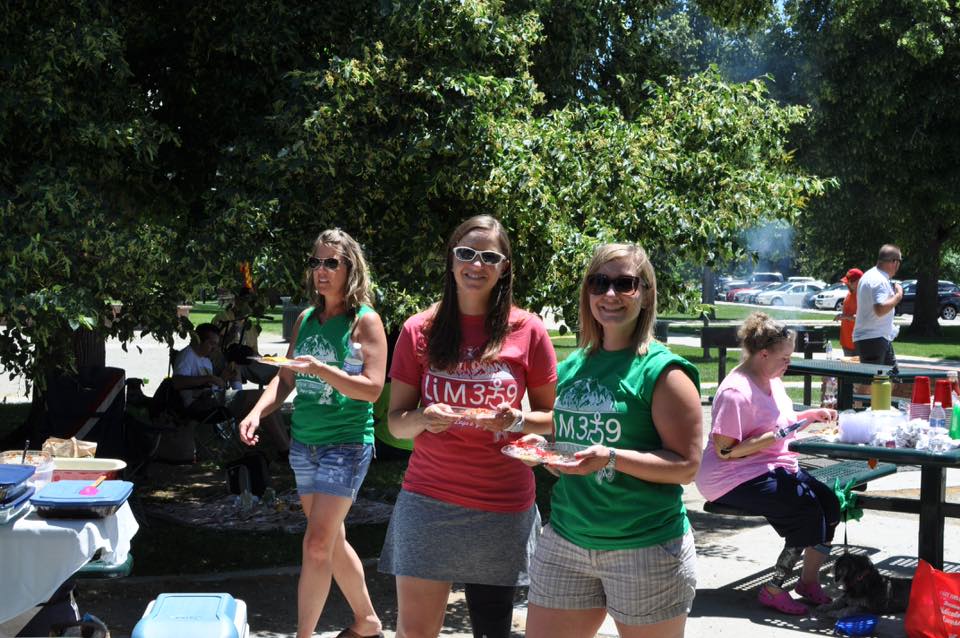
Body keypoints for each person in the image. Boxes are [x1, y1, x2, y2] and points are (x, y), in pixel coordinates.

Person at [379, 215, 558, 638]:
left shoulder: (528, 330)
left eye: (489, 257)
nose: (475, 265)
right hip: (429, 499)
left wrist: (515, 420)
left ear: (504, 267)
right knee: (415, 632)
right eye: (466, 253)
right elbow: (396, 423)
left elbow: (551, 420)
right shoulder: (417, 330)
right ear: (451, 259)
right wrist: (424, 418)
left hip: (502, 503)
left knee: (492, 632)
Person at [524, 243, 703, 638]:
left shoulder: (664, 372)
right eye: (599, 282)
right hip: (567, 539)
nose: (610, 295)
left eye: (625, 283)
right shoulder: (574, 365)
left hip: (645, 547)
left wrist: (611, 458)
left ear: (646, 293)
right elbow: (573, 435)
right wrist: (544, 448)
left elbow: (686, 467)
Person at [239, 229, 387, 638]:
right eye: (315, 262)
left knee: (316, 544)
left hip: (347, 443)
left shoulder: (365, 322)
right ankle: (368, 621)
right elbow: (284, 379)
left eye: (331, 263)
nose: (321, 271)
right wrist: (256, 412)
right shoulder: (305, 319)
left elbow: (373, 388)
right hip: (305, 444)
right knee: (331, 540)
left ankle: (303, 634)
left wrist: (322, 370)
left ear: (349, 268)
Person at [695, 312, 840, 616]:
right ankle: (774, 589)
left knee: (828, 503)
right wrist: (774, 436)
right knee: (806, 511)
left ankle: (807, 582)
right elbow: (725, 451)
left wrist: (807, 417)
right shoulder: (737, 391)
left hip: (768, 464)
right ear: (763, 354)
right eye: (785, 357)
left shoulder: (771, 379)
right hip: (728, 476)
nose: (789, 363)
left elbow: (779, 422)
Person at [853, 244, 904, 367]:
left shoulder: (870, 275)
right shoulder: (879, 280)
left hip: (878, 338)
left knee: (893, 379)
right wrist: (898, 296)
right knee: (871, 383)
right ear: (894, 262)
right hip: (873, 339)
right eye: (899, 261)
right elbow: (880, 309)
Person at [171, 323, 230, 415]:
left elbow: (209, 386)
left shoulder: (206, 359)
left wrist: (223, 379)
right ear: (198, 341)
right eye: (211, 344)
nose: (215, 348)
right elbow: (177, 382)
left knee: (243, 401)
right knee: (242, 404)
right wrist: (209, 378)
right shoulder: (186, 356)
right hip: (194, 405)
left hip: (210, 399)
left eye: (216, 345)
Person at [835, 268, 863, 357]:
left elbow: (862, 318)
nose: (846, 284)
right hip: (846, 342)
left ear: (857, 282)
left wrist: (845, 316)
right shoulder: (849, 294)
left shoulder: (862, 296)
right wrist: (842, 316)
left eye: (849, 282)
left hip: (857, 344)